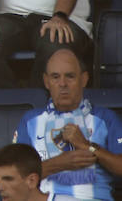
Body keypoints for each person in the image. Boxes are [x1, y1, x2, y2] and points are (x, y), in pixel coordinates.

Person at [14, 47, 122, 198]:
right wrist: (58, 164)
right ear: (46, 81)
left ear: (84, 79)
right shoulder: (30, 120)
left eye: (70, 76)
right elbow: (15, 178)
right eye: (55, 77)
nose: (62, 83)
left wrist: (88, 147)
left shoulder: (105, 118)